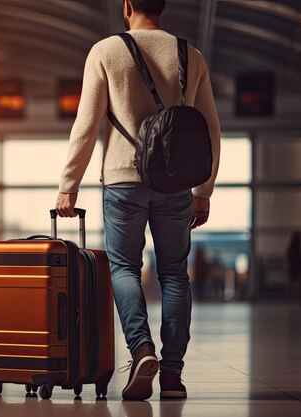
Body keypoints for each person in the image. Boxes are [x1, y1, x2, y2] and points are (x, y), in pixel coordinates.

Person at [55, 0, 221, 401]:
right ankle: (173, 375)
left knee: (125, 269)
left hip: (123, 180)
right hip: (176, 184)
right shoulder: (190, 55)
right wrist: (204, 189)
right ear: (163, 6)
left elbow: (87, 124)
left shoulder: (106, 51)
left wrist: (68, 183)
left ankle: (141, 349)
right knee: (174, 275)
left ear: (127, 5)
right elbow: (211, 129)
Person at [286, 232, 301, 301]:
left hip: (293, 267)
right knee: (296, 282)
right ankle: (297, 297)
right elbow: (299, 258)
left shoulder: (292, 247)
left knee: (294, 282)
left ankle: (294, 296)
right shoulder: (297, 248)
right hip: (296, 267)